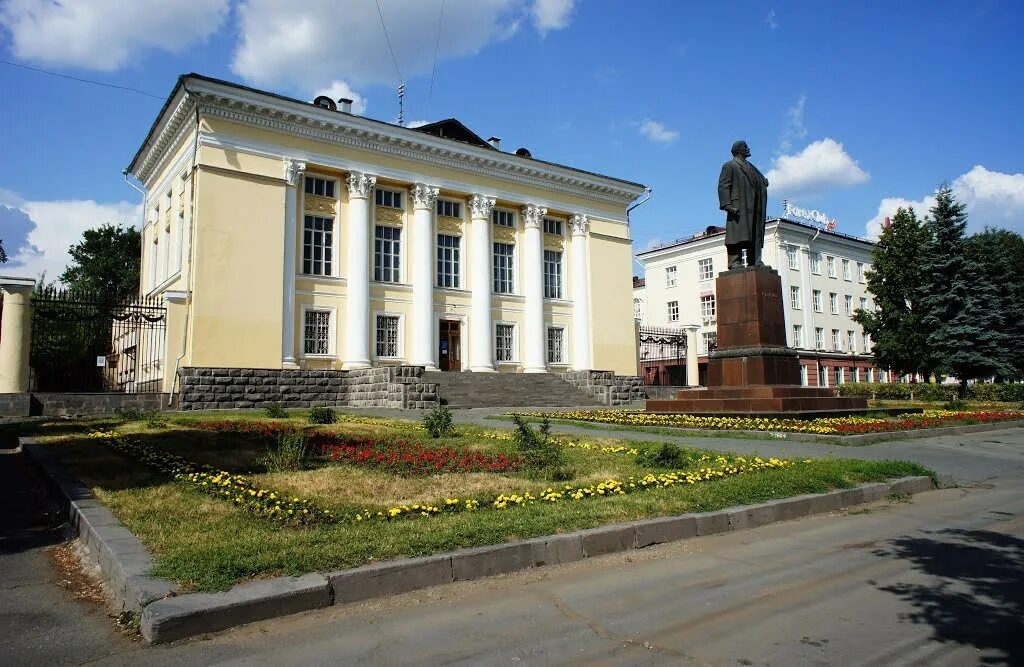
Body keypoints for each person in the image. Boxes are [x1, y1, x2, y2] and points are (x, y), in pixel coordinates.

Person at [717, 140, 769, 269]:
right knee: (737, 235)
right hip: (739, 206)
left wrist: (763, 183)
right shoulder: (730, 165)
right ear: (738, 150)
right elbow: (723, 185)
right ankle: (734, 262)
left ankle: (755, 261)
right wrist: (727, 204)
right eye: (745, 146)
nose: (748, 148)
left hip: (754, 206)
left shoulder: (751, 167)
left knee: (754, 235)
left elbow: (759, 182)